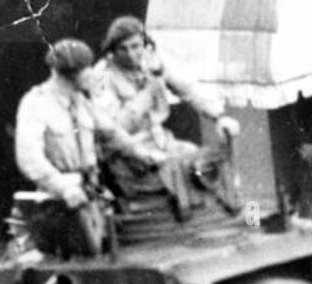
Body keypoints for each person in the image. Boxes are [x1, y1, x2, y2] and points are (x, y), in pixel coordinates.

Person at [14, 38, 165, 257]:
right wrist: (63, 188)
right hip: (59, 204)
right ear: (69, 73)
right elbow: (29, 158)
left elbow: (111, 133)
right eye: (87, 70)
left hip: (92, 196)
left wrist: (145, 154)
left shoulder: (81, 101)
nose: (93, 75)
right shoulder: (36, 104)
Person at [92, 15, 238, 215]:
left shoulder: (153, 59)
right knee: (181, 180)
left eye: (135, 46)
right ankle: (186, 228)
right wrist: (147, 92)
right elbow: (113, 128)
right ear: (111, 50)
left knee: (211, 169)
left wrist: (219, 116)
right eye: (122, 49)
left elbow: (189, 88)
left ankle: (248, 222)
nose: (131, 54)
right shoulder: (101, 76)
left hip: (163, 143)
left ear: (144, 43)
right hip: (130, 156)